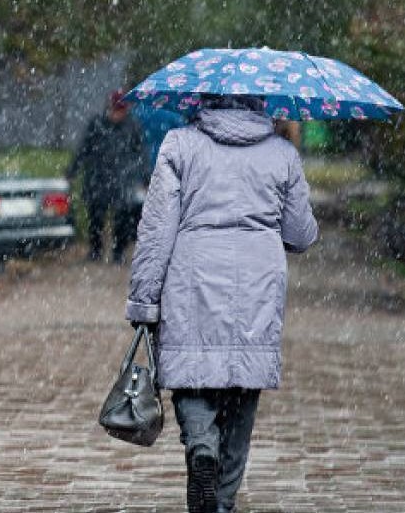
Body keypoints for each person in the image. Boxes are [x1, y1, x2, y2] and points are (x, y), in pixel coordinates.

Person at [126, 94, 318, 513]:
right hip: (257, 286)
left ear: (203, 97)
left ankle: (201, 447)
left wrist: (144, 300)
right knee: (242, 393)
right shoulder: (282, 153)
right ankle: (223, 502)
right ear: (259, 100)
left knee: (191, 376)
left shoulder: (180, 144)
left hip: (192, 278)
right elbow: (301, 234)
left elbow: (157, 230)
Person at [67, 90, 146, 263]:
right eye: (116, 110)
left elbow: (140, 153)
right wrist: (72, 171)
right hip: (98, 178)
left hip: (123, 180)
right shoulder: (96, 125)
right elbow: (84, 149)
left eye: (121, 110)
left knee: (123, 219)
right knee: (96, 218)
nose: (118, 114)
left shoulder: (132, 126)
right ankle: (96, 251)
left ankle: (118, 252)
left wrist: (144, 177)